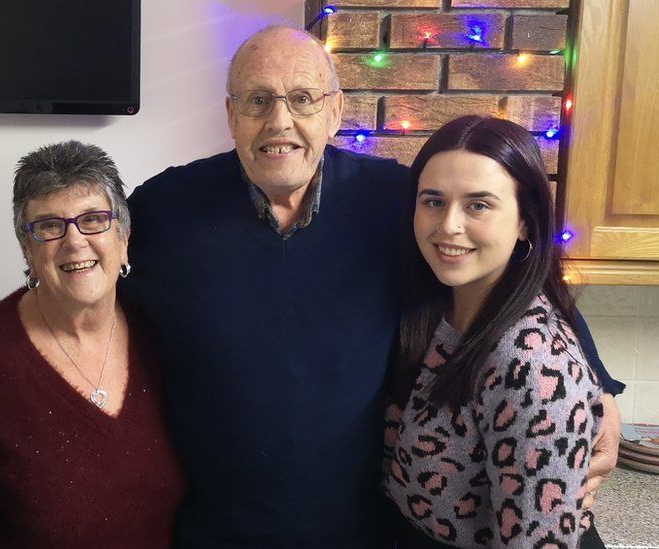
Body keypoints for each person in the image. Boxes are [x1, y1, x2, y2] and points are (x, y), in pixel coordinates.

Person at [122, 25, 623, 548]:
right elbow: (84, 276)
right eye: (258, 100)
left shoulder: (392, 199)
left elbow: (515, 277)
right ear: (231, 114)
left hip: (367, 531)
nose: (280, 121)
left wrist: (600, 389)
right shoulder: (165, 210)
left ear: (335, 111)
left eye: (301, 98)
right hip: (218, 533)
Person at [383, 116, 606, 548]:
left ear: (526, 221)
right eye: (433, 201)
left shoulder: (534, 365)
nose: (448, 225)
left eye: (478, 205)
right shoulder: (436, 308)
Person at [0, 140, 185, 548]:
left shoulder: (164, 332)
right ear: (27, 247)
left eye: (94, 219)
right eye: (49, 226)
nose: (75, 241)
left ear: (124, 236)